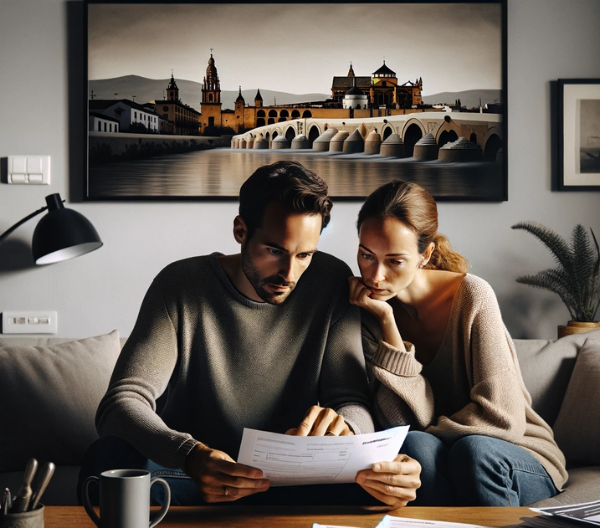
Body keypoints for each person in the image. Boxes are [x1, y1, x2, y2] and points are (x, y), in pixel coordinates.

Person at [80, 162, 421, 508]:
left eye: (304, 255)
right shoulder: (180, 285)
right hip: (195, 478)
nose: (289, 273)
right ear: (241, 230)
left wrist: (347, 430)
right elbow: (120, 404)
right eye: (274, 251)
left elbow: (351, 398)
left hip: (295, 479)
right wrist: (191, 456)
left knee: (404, 475)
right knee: (106, 459)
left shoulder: (330, 280)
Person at [349, 180, 567, 506]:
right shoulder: (368, 311)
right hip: (444, 452)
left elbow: (502, 420)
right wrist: (387, 323)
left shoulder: (472, 296)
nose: (375, 276)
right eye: (367, 255)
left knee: (472, 450)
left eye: (394, 261)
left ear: (425, 255)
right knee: (414, 447)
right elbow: (399, 423)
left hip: (517, 452)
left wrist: (432, 431)